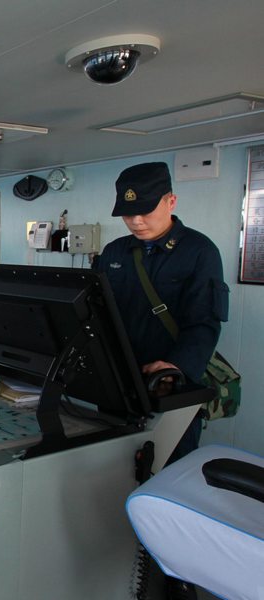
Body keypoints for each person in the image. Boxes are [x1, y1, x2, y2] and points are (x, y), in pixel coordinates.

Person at [94, 162, 228, 600]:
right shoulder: (115, 252)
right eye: (127, 213)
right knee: (118, 475)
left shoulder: (199, 251)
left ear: (171, 200)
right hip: (119, 386)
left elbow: (204, 323)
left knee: (172, 485)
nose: (136, 220)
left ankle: (175, 582)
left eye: (146, 210)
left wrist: (175, 367)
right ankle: (124, 570)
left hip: (172, 390)